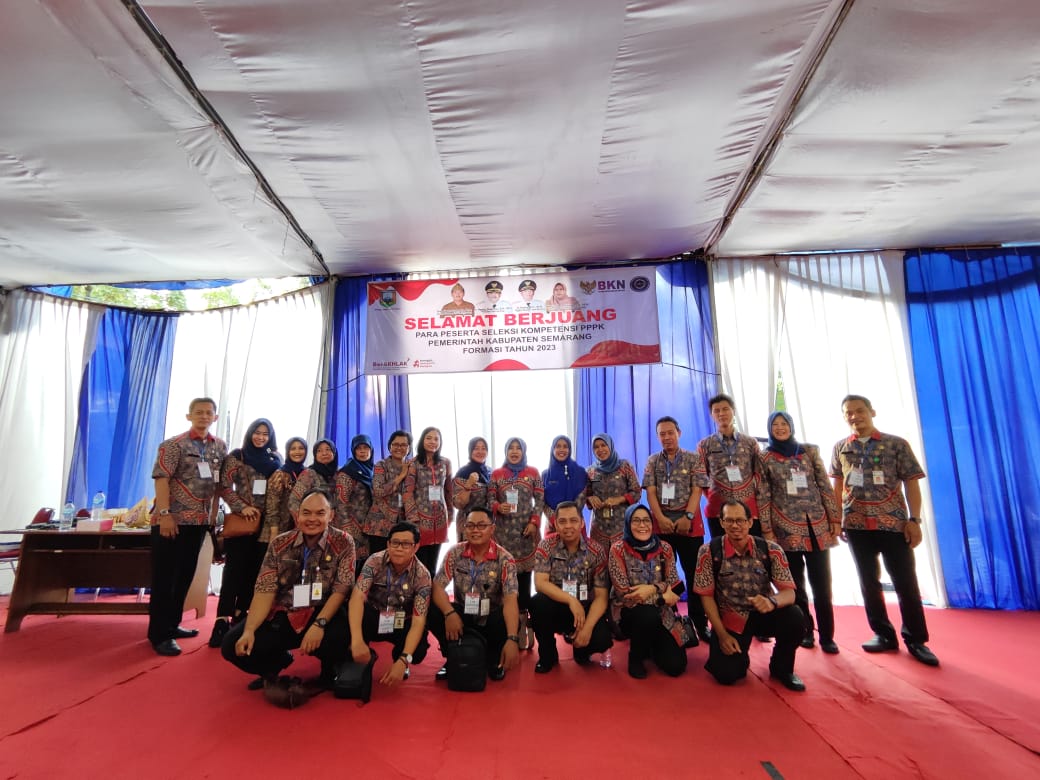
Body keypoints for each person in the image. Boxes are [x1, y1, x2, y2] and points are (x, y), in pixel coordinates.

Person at [830, 394, 939, 666]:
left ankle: (916, 639)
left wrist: (914, 520)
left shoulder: (896, 444)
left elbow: (911, 483)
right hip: (856, 526)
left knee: (905, 583)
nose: (854, 416)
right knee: (869, 583)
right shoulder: (841, 447)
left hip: (893, 524)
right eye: (848, 413)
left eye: (859, 410)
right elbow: (837, 486)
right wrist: (836, 519)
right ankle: (883, 633)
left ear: (872, 412)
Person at [222, 490, 355, 693]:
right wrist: (249, 630)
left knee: (342, 632)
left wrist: (319, 624)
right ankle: (274, 665)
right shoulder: (279, 543)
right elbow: (265, 589)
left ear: (331, 515)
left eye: (320, 513)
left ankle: (329, 670)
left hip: (321, 612)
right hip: (284, 612)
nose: (312, 519)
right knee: (231, 645)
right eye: (306, 513)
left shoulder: (344, 541)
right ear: (297, 515)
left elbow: (341, 589)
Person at [693, 499, 806, 691]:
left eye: (740, 520)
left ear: (750, 522)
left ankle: (782, 667)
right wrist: (721, 635)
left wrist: (771, 601)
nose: (735, 525)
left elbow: (789, 593)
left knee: (795, 616)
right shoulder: (708, 552)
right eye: (729, 520)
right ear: (721, 522)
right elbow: (706, 597)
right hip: (731, 620)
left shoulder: (771, 550)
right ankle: (739, 658)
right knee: (726, 675)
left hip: (764, 614)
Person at [757, 411, 842, 654]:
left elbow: (825, 486)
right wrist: (767, 530)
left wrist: (835, 519)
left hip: (817, 527)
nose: (780, 428)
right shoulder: (765, 457)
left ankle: (827, 636)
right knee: (796, 586)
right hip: (785, 529)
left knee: (823, 586)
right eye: (775, 424)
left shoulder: (809, 451)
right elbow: (763, 495)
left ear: (791, 426)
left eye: (784, 423)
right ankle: (806, 630)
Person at [149, 397, 227, 656]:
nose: (204, 416)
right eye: (199, 412)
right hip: (173, 521)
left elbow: (218, 485)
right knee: (166, 579)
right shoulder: (174, 445)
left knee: (184, 577)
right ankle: (159, 634)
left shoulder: (219, 447)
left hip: (199, 523)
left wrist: (213, 518)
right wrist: (165, 514)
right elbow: (161, 479)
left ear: (215, 417)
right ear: (189, 416)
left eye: (208, 413)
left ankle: (172, 625)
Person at [209, 418, 283, 649]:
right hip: (244, 521)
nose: (260, 437)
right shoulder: (237, 456)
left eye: (265, 434)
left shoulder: (275, 459)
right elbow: (223, 486)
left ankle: (241, 616)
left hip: (266, 524)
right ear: (250, 434)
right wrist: (242, 507)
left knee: (254, 573)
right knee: (233, 572)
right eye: (257, 433)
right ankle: (221, 620)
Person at [427, 506, 521, 682]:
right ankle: (453, 655)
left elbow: (510, 600)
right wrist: (449, 613)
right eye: (470, 525)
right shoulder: (455, 553)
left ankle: (494, 659)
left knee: (502, 618)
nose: (475, 530)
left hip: (490, 618)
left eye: (481, 525)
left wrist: (512, 638)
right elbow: (437, 586)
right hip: (462, 617)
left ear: (492, 529)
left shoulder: (505, 559)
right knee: (432, 609)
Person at [642, 415, 711, 641]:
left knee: (694, 575)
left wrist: (688, 516)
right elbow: (650, 492)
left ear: (678, 433)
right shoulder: (653, 461)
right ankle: (669, 622)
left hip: (689, 525)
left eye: (670, 432)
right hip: (661, 526)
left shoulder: (693, 458)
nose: (666, 437)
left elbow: (697, 489)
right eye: (662, 434)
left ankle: (700, 623)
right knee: (663, 575)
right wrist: (660, 518)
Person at [529, 501, 612, 672]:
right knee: (538, 603)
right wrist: (570, 601)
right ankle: (548, 655)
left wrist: (587, 628)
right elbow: (540, 583)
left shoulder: (596, 551)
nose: (568, 526)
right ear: (555, 524)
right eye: (562, 521)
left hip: (585, 609)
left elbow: (601, 597)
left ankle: (581, 649)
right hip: (557, 606)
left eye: (573, 520)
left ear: (582, 523)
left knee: (602, 639)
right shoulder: (546, 546)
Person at [608, 504, 688, 679]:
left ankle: (651, 645)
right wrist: (664, 594)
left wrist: (652, 588)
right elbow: (625, 594)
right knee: (647, 615)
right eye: (636, 521)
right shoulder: (618, 549)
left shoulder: (665, 548)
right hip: (629, 612)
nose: (642, 525)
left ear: (652, 524)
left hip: (662, 612)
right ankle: (635, 657)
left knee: (676, 666)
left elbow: (677, 586)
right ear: (627, 523)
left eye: (646, 520)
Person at [348, 522, 431, 689]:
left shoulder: (422, 576)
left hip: (401, 621)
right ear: (388, 544)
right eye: (395, 543)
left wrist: (404, 659)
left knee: (418, 649)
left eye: (406, 544)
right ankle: (359, 654)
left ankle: (399, 659)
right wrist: (356, 640)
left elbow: (418, 621)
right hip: (374, 616)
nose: (399, 548)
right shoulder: (375, 561)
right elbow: (357, 597)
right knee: (348, 622)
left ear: (416, 547)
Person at [488, 437, 545, 648]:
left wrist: (534, 523)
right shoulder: (497, 474)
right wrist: (497, 507)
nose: (514, 451)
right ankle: (508, 627)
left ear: (523, 451)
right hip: (503, 536)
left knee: (524, 581)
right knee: (505, 582)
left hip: (526, 535)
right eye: (510, 448)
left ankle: (524, 626)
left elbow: (540, 501)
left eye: (518, 448)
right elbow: (489, 499)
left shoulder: (533, 473)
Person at [697, 393, 763, 539]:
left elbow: (759, 475)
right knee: (720, 549)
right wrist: (715, 495)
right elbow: (702, 478)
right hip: (717, 510)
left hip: (749, 509)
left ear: (733, 411)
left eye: (725, 409)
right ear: (712, 415)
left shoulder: (750, 443)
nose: (721, 414)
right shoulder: (704, 445)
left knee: (753, 548)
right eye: (716, 411)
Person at [403, 426, 453, 574]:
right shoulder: (413, 463)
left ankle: (432, 588)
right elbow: (407, 492)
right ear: (422, 441)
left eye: (436, 439)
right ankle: (422, 588)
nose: (433, 442)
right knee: (420, 563)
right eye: (429, 438)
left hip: (440, 519)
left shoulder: (445, 463)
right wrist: (413, 517)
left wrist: (450, 514)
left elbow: (449, 490)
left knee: (433, 564)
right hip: (420, 520)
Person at [585, 433, 640, 550]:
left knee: (623, 558)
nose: (600, 449)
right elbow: (585, 494)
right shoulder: (590, 471)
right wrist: (590, 498)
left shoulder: (625, 466)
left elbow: (636, 492)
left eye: (603, 445)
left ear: (610, 446)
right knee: (599, 559)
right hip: (599, 528)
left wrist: (619, 499)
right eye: (596, 447)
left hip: (623, 526)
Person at [368, 430, 411, 554]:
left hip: (403, 524)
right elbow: (378, 491)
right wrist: (401, 476)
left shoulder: (412, 466)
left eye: (403, 445)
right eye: (395, 444)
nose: (399, 448)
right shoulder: (381, 465)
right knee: (379, 562)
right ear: (389, 446)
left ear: (409, 448)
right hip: (379, 525)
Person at [335, 434, 374, 568]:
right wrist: (348, 529)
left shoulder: (372, 471)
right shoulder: (347, 472)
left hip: (369, 528)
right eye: (359, 448)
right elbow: (341, 503)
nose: (363, 451)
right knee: (351, 565)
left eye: (366, 448)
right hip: (352, 528)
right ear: (353, 451)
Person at [264, 436, 308, 541]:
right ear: (288, 451)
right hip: (279, 530)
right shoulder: (280, 474)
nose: (297, 452)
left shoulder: (308, 474)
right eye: (293, 449)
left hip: (302, 529)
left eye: (301, 448)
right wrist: (274, 533)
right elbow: (272, 505)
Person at [541, 435, 587, 533]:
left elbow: (583, 495)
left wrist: (569, 518)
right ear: (553, 449)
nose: (561, 449)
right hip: (553, 524)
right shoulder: (545, 475)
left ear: (569, 450)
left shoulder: (580, 472)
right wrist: (555, 519)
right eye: (558, 446)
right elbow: (541, 500)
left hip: (575, 523)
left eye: (565, 446)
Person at [452, 436, 491, 541]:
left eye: (483, 448)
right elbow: (458, 504)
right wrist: (468, 485)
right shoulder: (463, 472)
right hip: (468, 523)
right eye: (476, 448)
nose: (480, 451)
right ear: (470, 451)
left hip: (486, 523)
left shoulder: (489, 472)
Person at [289, 439, 339, 517]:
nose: (324, 453)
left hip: (335, 520)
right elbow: (294, 501)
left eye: (328, 449)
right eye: (319, 451)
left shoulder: (340, 473)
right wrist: (303, 519)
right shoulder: (308, 474)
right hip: (313, 520)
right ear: (315, 455)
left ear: (334, 452)